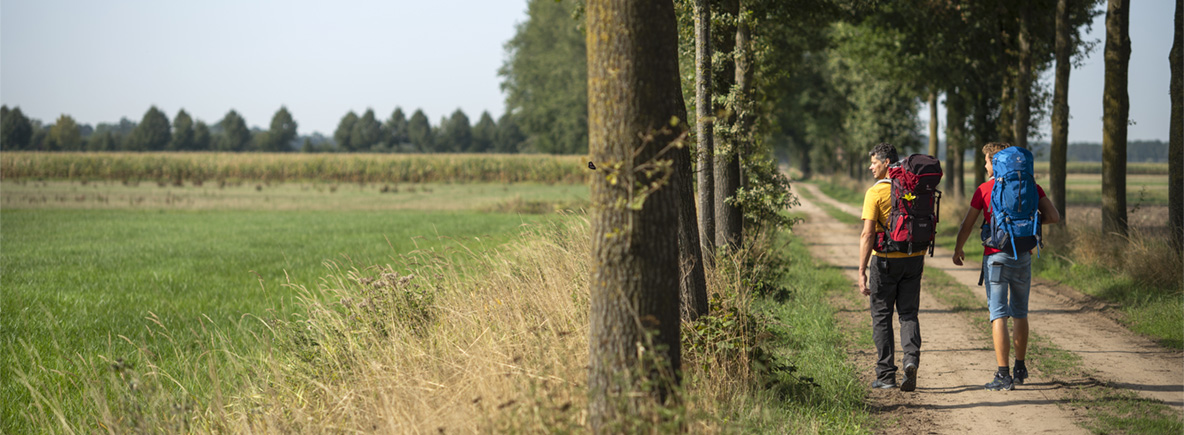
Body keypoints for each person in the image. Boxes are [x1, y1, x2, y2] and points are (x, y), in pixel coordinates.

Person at [952, 142, 1061, 391]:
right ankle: (1020, 368)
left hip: (996, 257)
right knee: (1020, 312)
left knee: (998, 313)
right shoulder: (1032, 186)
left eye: (987, 161)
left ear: (996, 162)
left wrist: (959, 248)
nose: (985, 165)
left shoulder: (985, 189)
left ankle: (1003, 375)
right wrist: (1028, 222)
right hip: (1023, 255)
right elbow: (1054, 217)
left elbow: (968, 224)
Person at [859, 142, 923, 392]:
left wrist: (861, 270)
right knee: (908, 313)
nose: (870, 166)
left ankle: (886, 375)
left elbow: (867, 235)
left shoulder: (875, 193)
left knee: (882, 316)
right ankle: (910, 360)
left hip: (885, 260)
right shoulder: (913, 187)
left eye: (874, 162)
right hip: (914, 256)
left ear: (887, 163)